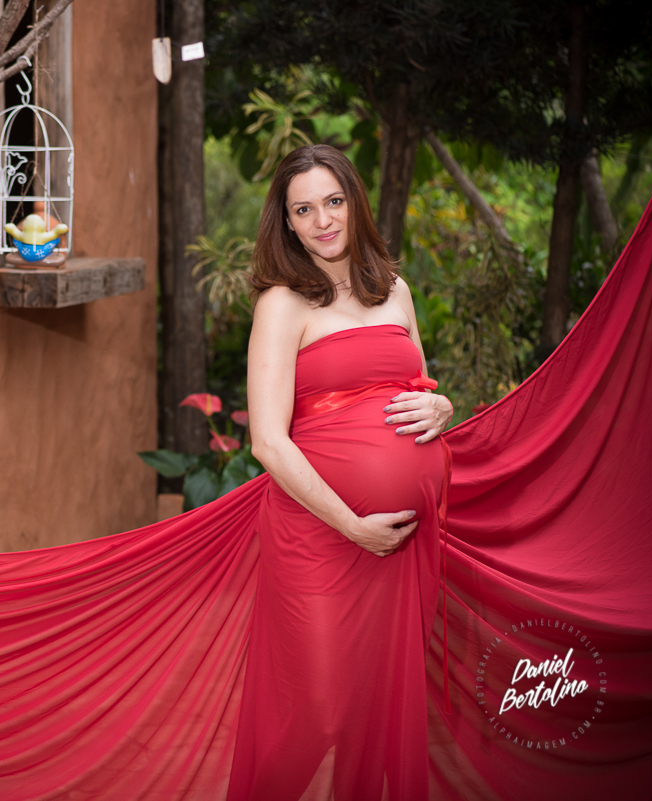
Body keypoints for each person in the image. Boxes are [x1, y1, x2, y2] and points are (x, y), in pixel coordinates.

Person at [227, 144, 453, 800]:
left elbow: (419, 385)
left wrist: (440, 404)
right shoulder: (283, 304)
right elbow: (269, 442)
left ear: (355, 202)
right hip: (321, 532)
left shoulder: (396, 290)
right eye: (305, 209)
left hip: (404, 541)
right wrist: (354, 524)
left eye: (333, 201)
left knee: (375, 704)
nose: (323, 220)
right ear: (287, 224)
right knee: (319, 708)